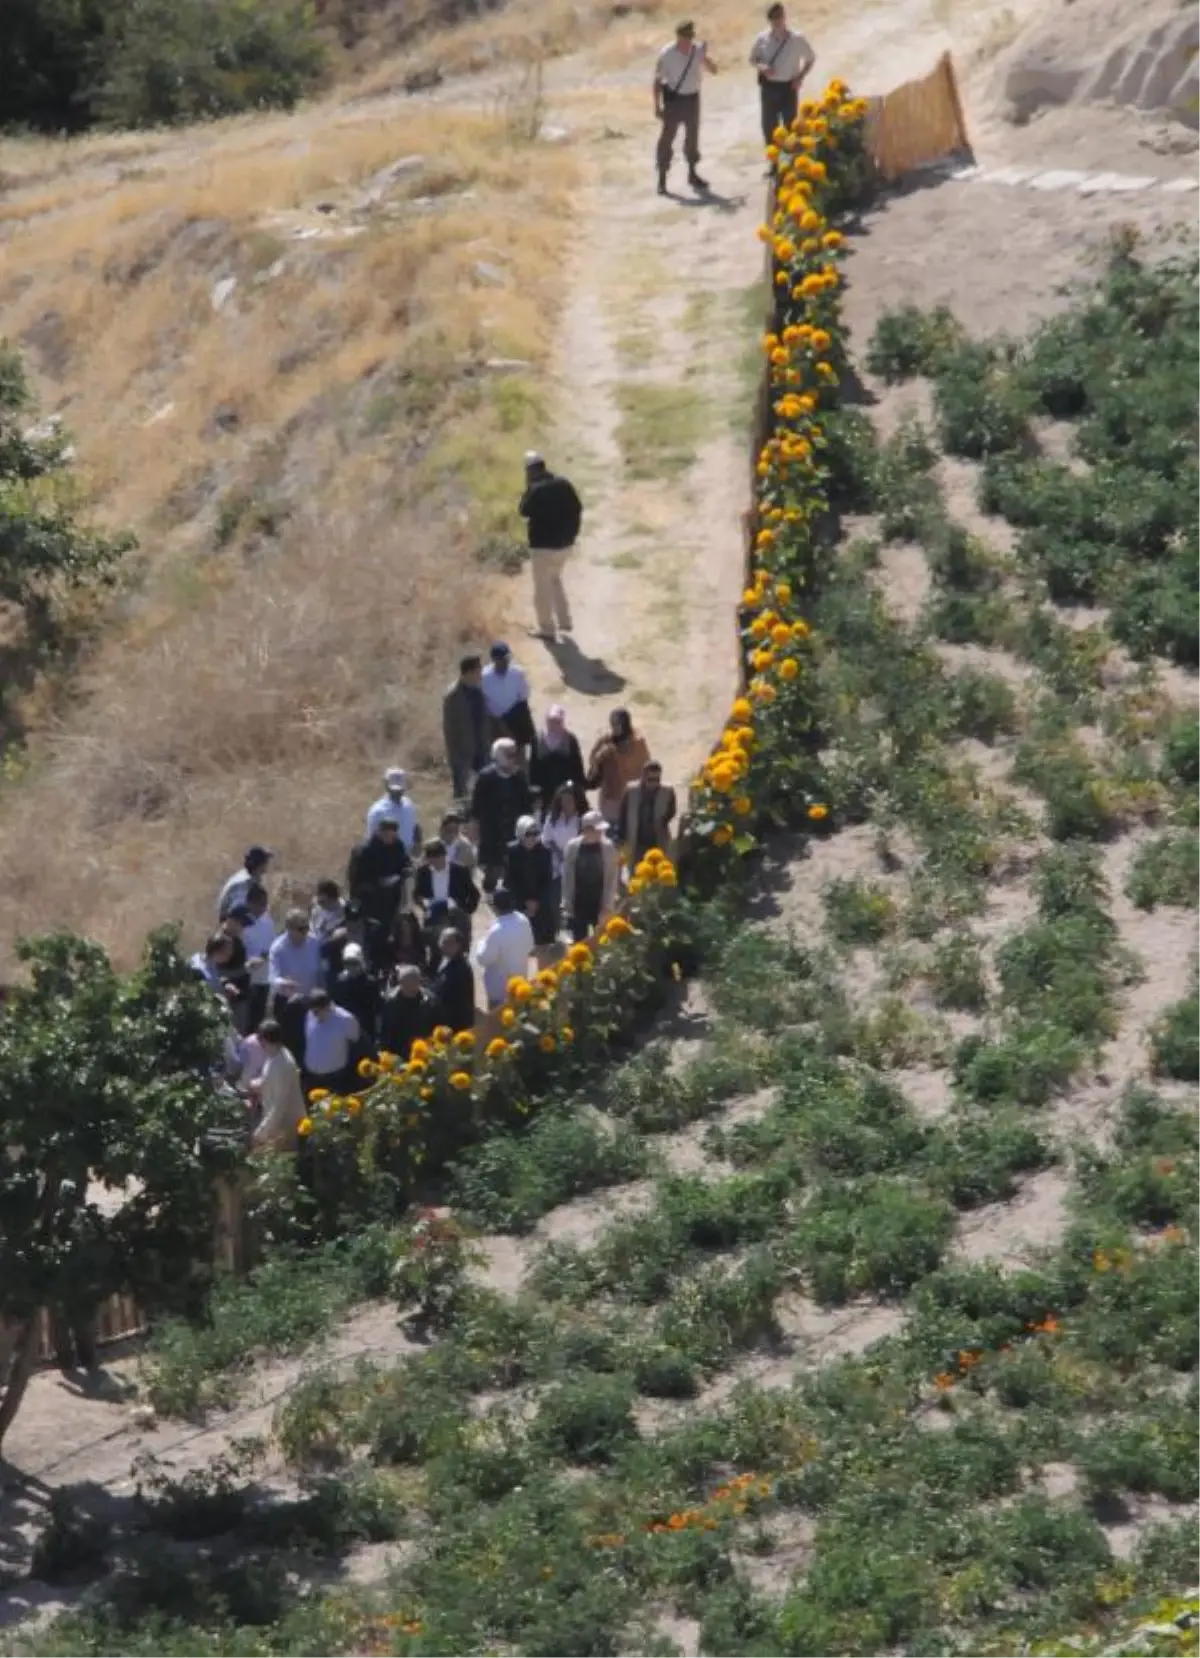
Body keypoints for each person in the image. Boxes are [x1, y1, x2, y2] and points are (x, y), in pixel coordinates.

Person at [519, 453, 583, 641]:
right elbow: (578, 508)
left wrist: (527, 488)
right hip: (565, 545)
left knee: (541, 588)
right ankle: (564, 620)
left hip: (543, 547)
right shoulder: (564, 483)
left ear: (530, 471)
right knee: (555, 579)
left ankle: (547, 628)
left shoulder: (535, 489)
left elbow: (523, 510)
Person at [654, 19, 719, 196]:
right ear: (678, 37)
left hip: (692, 99)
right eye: (685, 37)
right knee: (667, 138)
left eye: (690, 37)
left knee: (692, 138)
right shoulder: (667, 54)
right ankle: (662, 179)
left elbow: (714, 70)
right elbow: (658, 80)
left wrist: (705, 57)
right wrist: (657, 105)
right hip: (674, 101)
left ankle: (692, 173)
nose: (688, 41)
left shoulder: (697, 51)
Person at [470, 737, 535, 893]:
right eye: (509, 754)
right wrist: (475, 831)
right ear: (498, 755)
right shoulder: (485, 777)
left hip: (513, 830)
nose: (513, 758)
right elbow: (476, 808)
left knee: (511, 869)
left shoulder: (519, 776)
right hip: (491, 832)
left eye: (514, 754)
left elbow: (526, 805)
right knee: (492, 871)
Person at [750, 3, 815, 153]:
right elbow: (753, 59)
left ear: (784, 17)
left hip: (788, 87)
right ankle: (773, 162)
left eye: (779, 18)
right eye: (773, 19)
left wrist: (800, 77)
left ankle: (790, 164)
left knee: (790, 126)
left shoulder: (797, 39)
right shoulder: (762, 39)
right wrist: (762, 67)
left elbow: (810, 59)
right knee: (769, 127)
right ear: (769, 20)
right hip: (769, 87)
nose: (776, 22)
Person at [268, 908, 325, 1062]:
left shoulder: (314, 943)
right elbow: (273, 978)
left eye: (307, 927)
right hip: (288, 1005)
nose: (305, 932)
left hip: (310, 1002)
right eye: (301, 929)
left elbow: (320, 972)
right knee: (290, 1046)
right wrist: (283, 983)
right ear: (289, 929)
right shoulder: (278, 948)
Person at [347, 816, 412, 952]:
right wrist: (378, 883)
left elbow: (405, 863)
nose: (389, 837)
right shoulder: (364, 850)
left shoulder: (398, 846)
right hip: (369, 900)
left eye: (392, 834)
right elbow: (355, 877)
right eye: (386, 833)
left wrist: (405, 871)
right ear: (379, 832)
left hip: (391, 899)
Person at [414, 837, 480, 962]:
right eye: (431, 861)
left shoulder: (460, 871)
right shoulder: (423, 872)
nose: (435, 864)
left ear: (444, 856)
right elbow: (417, 894)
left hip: (455, 919)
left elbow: (474, 895)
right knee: (436, 955)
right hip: (434, 920)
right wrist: (424, 903)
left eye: (438, 860)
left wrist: (465, 912)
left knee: (458, 956)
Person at [248, 1019, 307, 1153]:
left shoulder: (283, 1064)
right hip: (275, 1121)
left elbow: (280, 1104)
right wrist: (257, 1084)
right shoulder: (275, 1055)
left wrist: (262, 1131)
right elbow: (269, 1079)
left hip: (284, 1124)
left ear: (264, 1040)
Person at [587, 708, 652, 829]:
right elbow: (592, 765)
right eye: (612, 724)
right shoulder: (606, 741)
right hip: (610, 797)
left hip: (632, 797)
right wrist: (600, 757)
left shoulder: (638, 742)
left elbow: (646, 765)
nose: (614, 727)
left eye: (617, 724)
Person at [563, 811, 620, 942]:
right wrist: (567, 901)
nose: (601, 832)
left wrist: (607, 905)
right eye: (597, 829)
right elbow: (567, 875)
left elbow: (612, 877)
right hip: (579, 900)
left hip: (599, 900)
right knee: (579, 941)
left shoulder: (608, 847)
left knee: (602, 941)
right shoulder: (572, 847)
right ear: (586, 830)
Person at [474, 886, 535, 1009]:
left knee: (498, 1025)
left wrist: (480, 944)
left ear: (495, 907)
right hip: (519, 987)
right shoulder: (523, 921)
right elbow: (530, 946)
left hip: (499, 991)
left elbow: (484, 959)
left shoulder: (496, 931)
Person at [505, 815, 558, 949]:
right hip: (519, 902)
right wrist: (525, 902)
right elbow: (511, 879)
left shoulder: (545, 852)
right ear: (520, 833)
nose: (533, 837)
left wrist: (536, 902)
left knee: (542, 944)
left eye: (536, 833)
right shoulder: (512, 851)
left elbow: (547, 880)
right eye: (529, 834)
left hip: (540, 904)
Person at [442, 654, 489, 801]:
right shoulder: (453, 696)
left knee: (483, 791)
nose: (480, 675)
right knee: (461, 794)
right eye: (478, 672)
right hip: (463, 754)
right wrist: (455, 756)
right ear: (468, 673)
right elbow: (449, 730)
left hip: (481, 750)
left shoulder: (479, 691)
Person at [618, 759, 678, 865]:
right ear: (643, 777)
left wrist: (663, 822)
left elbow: (672, 810)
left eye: (657, 779)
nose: (654, 783)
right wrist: (622, 837)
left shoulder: (667, 791)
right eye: (650, 779)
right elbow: (622, 814)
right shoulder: (630, 791)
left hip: (658, 841)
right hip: (636, 842)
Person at [302, 990, 360, 1098]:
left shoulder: (345, 1019)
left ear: (327, 1007)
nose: (314, 1015)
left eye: (317, 1012)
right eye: (313, 1012)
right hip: (312, 1078)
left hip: (334, 1078)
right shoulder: (310, 1015)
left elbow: (355, 1039)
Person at [481, 641, 535, 755]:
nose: (505, 662)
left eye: (507, 659)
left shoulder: (517, 673)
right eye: (501, 660)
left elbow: (524, 695)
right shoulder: (484, 677)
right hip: (495, 720)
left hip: (515, 715)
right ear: (494, 660)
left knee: (521, 748)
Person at [530, 704, 587, 804]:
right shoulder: (537, 740)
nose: (554, 725)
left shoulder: (570, 740)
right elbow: (533, 766)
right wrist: (534, 790)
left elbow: (577, 766)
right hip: (544, 792)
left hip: (565, 792)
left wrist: (579, 788)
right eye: (551, 721)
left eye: (557, 721)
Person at [379, 964, 438, 1059]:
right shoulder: (390, 1002)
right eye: (407, 983)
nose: (411, 987)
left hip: (424, 1051)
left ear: (419, 981)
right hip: (398, 1053)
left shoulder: (430, 1000)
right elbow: (385, 1031)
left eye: (414, 982)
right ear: (400, 983)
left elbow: (438, 1026)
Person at [240, 882, 276, 1034]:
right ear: (250, 903)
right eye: (260, 904)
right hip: (246, 979)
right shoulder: (241, 921)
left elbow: (271, 945)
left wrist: (263, 957)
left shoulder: (267, 920)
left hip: (263, 979)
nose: (263, 908)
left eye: (265, 904)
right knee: (245, 1020)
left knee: (258, 1020)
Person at [332, 941, 381, 1051]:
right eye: (347, 963)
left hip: (366, 1029)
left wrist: (378, 1034)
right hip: (346, 1031)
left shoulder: (370, 983)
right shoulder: (340, 981)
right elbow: (335, 1008)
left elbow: (377, 1010)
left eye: (354, 963)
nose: (351, 967)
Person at [366, 767, 422, 855]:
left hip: (408, 858)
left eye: (399, 790)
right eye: (393, 790)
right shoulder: (377, 811)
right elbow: (371, 839)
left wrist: (418, 843)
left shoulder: (409, 804)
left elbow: (415, 826)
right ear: (386, 786)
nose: (397, 793)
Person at [541, 782, 588, 886]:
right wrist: (559, 853)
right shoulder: (552, 818)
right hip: (554, 867)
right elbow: (546, 839)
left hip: (576, 866)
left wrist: (570, 855)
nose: (566, 804)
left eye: (569, 801)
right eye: (563, 801)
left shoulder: (582, 820)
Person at [432, 927, 476, 1034]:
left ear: (458, 945)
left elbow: (445, 991)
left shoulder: (461, 967)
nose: (443, 945)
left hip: (456, 1023)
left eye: (448, 943)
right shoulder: (445, 960)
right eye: (442, 941)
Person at [218, 844, 272, 920]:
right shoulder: (243, 884)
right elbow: (237, 913)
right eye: (265, 862)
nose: (267, 867)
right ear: (259, 865)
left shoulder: (247, 877)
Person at [309, 879, 345, 950]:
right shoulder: (317, 906)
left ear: (333, 899)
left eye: (322, 901)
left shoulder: (344, 913)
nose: (319, 903)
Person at [392, 910, 430, 976]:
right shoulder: (393, 943)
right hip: (397, 975)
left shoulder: (420, 942)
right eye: (403, 921)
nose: (405, 924)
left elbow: (423, 962)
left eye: (408, 921)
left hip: (414, 975)